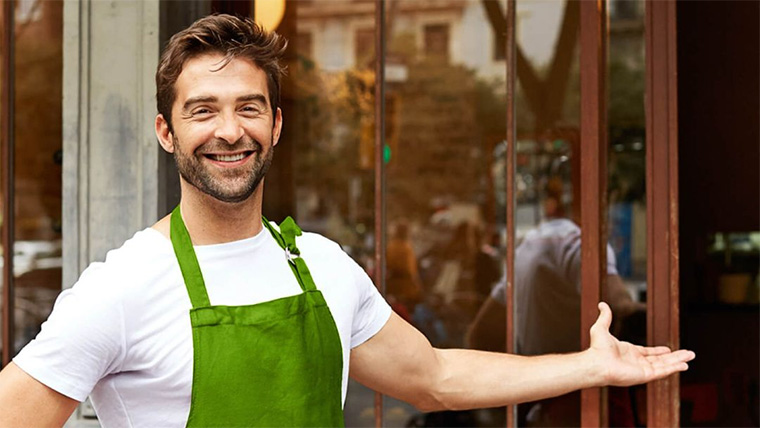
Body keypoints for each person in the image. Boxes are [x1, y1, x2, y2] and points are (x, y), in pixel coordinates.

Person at [0, 14, 694, 427]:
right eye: (201, 110)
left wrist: (590, 366)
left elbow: (436, 377)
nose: (227, 130)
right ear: (165, 132)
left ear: (275, 126)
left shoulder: (322, 265)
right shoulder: (121, 286)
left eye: (247, 108)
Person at [467, 180, 645, 426]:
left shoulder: (526, 248)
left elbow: (480, 333)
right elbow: (621, 306)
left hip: (539, 400)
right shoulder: (580, 244)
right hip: (582, 401)